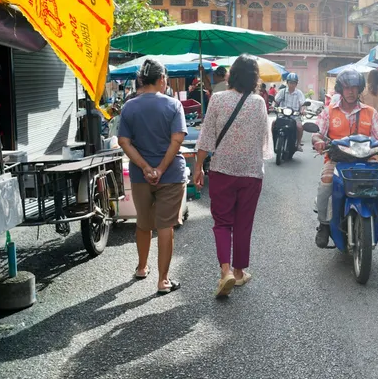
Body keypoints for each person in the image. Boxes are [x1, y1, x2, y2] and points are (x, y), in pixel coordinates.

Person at [194, 55, 272, 298]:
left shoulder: (217, 99)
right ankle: (239, 272)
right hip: (250, 173)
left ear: (232, 74)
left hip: (222, 171)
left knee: (222, 222)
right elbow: (263, 140)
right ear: (254, 78)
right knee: (243, 223)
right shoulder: (259, 102)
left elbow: (206, 138)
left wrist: (197, 167)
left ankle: (225, 271)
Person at [117, 59, 187, 295]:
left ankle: (141, 267)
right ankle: (163, 281)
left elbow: (123, 142)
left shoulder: (129, 107)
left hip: (139, 176)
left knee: (143, 223)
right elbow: (177, 139)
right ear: (160, 80)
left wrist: (146, 168)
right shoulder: (173, 105)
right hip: (170, 175)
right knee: (165, 225)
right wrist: (160, 169)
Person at [312, 68, 378, 247]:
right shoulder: (329, 111)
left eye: (355, 88)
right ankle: (324, 224)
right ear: (340, 89)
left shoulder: (370, 112)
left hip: (366, 161)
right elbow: (317, 132)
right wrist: (317, 140)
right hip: (336, 160)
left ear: (360, 89)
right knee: (326, 182)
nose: (351, 92)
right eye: (347, 88)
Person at [274, 73, 306, 150]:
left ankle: (298, 144)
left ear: (296, 84)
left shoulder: (299, 93)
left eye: (294, 83)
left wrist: (302, 110)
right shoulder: (282, 92)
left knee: (300, 127)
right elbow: (276, 101)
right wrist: (273, 106)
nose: (292, 84)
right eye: (290, 82)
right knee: (273, 123)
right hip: (282, 115)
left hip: (294, 116)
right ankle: (273, 141)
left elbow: (303, 104)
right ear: (287, 83)